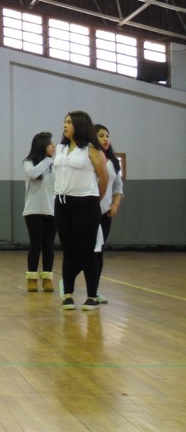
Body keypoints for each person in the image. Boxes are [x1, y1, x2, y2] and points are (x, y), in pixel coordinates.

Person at [53, 111, 108, 311]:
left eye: (69, 122)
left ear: (79, 125)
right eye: (64, 121)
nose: (65, 125)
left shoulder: (92, 150)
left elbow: (104, 178)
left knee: (86, 251)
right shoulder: (60, 148)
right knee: (68, 250)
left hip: (86, 204)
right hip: (62, 203)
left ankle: (92, 296)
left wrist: (94, 200)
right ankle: (68, 294)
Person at [22, 132, 57, 292]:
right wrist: (48, 160)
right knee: (35, 244)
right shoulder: (28, 162)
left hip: (52, 210)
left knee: (49, 245)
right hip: (33, 210)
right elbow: (33, 173)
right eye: (50, 144)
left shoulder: (55, 165)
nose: (54, 147)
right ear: (42, 145)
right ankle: (32, 278)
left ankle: (47, 278)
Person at [94, 123, 124, 304]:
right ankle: (68, 283)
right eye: (101, 135)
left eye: (107, 135)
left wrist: (115, 204)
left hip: (104, 214)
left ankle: (94, 290)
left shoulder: (112, 162)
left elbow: (118, 186)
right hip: (88, 213)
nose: (105, 139)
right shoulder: (88, 159)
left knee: (99, 252)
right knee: (87, 252)